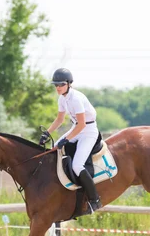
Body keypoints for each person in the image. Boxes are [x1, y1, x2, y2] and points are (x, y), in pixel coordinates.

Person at [39, 68, 102, 212]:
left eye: (60, 84)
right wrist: (47, 133)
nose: (58, 87)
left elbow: (82, 125)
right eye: (56, 85)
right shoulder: (62, 98)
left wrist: (66, 139)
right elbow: (60, 119)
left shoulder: (76, 98)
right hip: (77, 127)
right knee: (54, 147)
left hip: (88, 131)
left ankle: (95, 199)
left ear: (68, 83)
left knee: (77, 166)